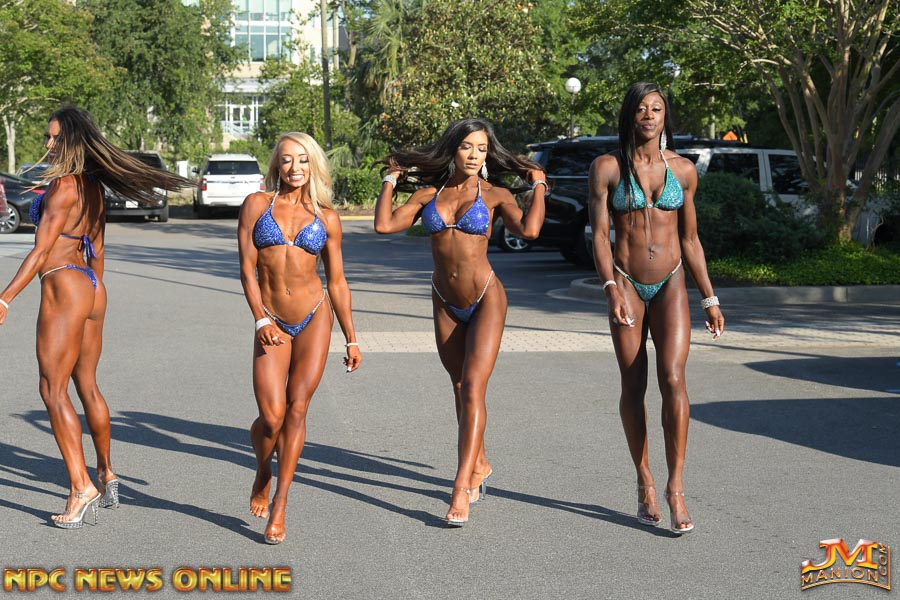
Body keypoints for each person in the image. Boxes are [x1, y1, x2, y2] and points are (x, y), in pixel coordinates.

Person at [0, 106, 191, 528]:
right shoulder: (92, 186)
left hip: (64, 284)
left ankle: (80, 486)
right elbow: (97, 248)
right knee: (86, 385)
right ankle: (107, 473)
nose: (48, 144)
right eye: (48, 136)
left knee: (52, 389)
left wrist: (6, 298)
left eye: (54, 137)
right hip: (89, 285)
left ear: (71, 140)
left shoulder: (63, 186)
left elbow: (40, 251)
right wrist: (93, 292)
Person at [374, 118, 546, 527]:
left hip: (487, 297)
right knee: (459, 386)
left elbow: (530, 230)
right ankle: (480, 463)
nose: (474, 155)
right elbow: (384, 225)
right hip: (445, 300)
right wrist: (390, 181)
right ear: (452, 149)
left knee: (472, 387)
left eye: (482, 149)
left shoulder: (496, 194)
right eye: (467, 146)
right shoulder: (428, 195)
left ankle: (461, 487)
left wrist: (539, 186)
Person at [588, 82, 725, 534]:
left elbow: (691, 239)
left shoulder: (683, 171)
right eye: (642, 109)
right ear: (630, 115)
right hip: (626, 282)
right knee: (634, 383)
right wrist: (611, 288)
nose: (649, 115)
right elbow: (601, 236)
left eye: (657, 109)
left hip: (671, 282)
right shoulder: (607, 168)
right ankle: (645, 478)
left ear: (666, 117)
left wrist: (709, 297)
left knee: (673, 378)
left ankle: (675, 488)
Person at [237, 132, 362, 545]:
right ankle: (263, 470)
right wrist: (260, 319)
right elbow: (247, 269)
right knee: (271, 416)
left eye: (303, 160)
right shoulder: (257, 205)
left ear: (314, 165)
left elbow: (337, 281)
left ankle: (281, 504)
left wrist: (351, 337)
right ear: (277, 164)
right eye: (288, 160)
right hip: (271, 318)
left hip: (314, 317)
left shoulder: (327, 218)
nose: (296, 168)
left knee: (297, 410)